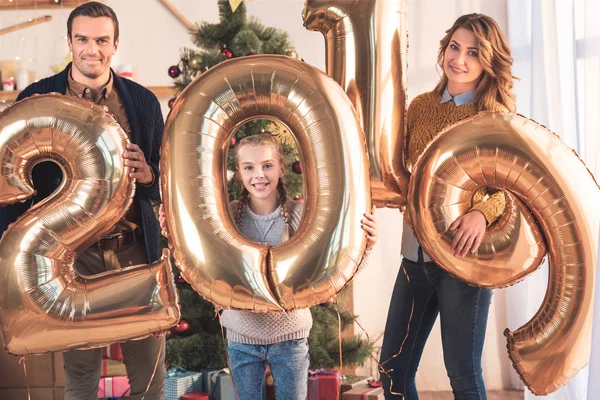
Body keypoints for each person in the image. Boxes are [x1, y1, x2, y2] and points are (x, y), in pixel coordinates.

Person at [0, 2, 166, 399]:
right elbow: (10, 182)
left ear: (116, 44)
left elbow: (166, 177)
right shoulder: (36, 96)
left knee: (150, 381)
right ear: (70, 42)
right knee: (81, 379)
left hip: (133, 254)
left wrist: (150, 177)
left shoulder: (142, 102)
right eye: (84, 39)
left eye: (102, 40)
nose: (93, 49)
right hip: (71, 262)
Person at [159, 133, 378, 399]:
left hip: (291, 337)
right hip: (241, 336)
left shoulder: (302, 216)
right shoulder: (225, 217)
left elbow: (336, 267)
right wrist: (172, 231)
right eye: (249, 167)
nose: (258, 175)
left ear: (282, 168)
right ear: (238, 173)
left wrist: (366, 245)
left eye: (267, 165)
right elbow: (198, 259)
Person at [379, 13, 516, 400]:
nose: (460, 59)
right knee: (392, 372)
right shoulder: (419, 108)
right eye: (455, 47)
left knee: (462, 374)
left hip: (463, 262)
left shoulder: (494, 116)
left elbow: (510, 185)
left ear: (488, 61)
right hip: (413, 257)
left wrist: (481, 212)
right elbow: (399, 173)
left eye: (473, 52)